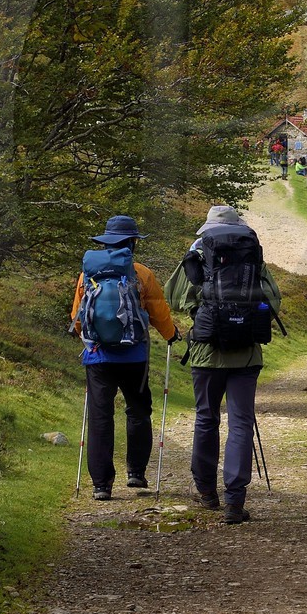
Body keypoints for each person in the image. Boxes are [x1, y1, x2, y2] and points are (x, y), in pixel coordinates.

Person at [164, 205, 283, 524]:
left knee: (206, 418)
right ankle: (234, 500)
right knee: (241, 422)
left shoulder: (199, 252)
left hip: (205, 351)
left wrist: (201, 310)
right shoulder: (251, 253)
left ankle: (206, 492)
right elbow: (273, 299)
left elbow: (173, 296)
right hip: (246, 353)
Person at [69, 214, 180, 501]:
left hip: (98, 358)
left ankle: (101, 485)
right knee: (139, 411)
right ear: (132, 243)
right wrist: (171, 335)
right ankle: (136, 473)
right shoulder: (142, 273)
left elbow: (77, 317)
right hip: (134, 356)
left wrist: (86, 335)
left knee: (100, 416)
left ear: (106, 243)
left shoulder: (87, 273)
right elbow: (158, 313)